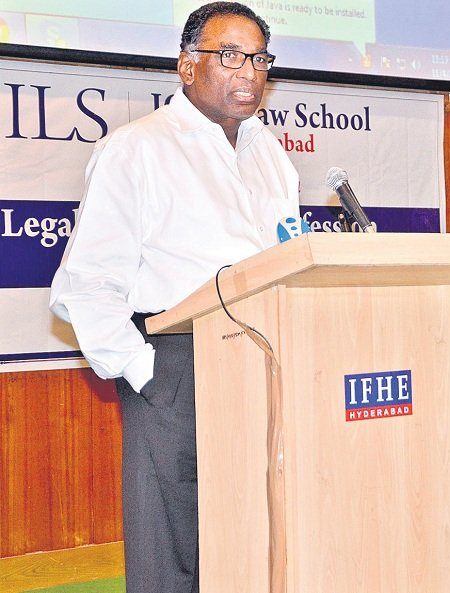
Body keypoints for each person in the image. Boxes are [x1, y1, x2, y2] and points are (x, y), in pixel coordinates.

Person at [49, 4, 298, 592]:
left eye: (259, 58)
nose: (248, 72)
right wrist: (146, 373)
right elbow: (87, 283)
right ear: (187, 66)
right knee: (173, 551)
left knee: (254, 535)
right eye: (229, 56)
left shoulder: (269, 153)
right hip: (176, 361)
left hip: (265, 357)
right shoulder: (138, 148)